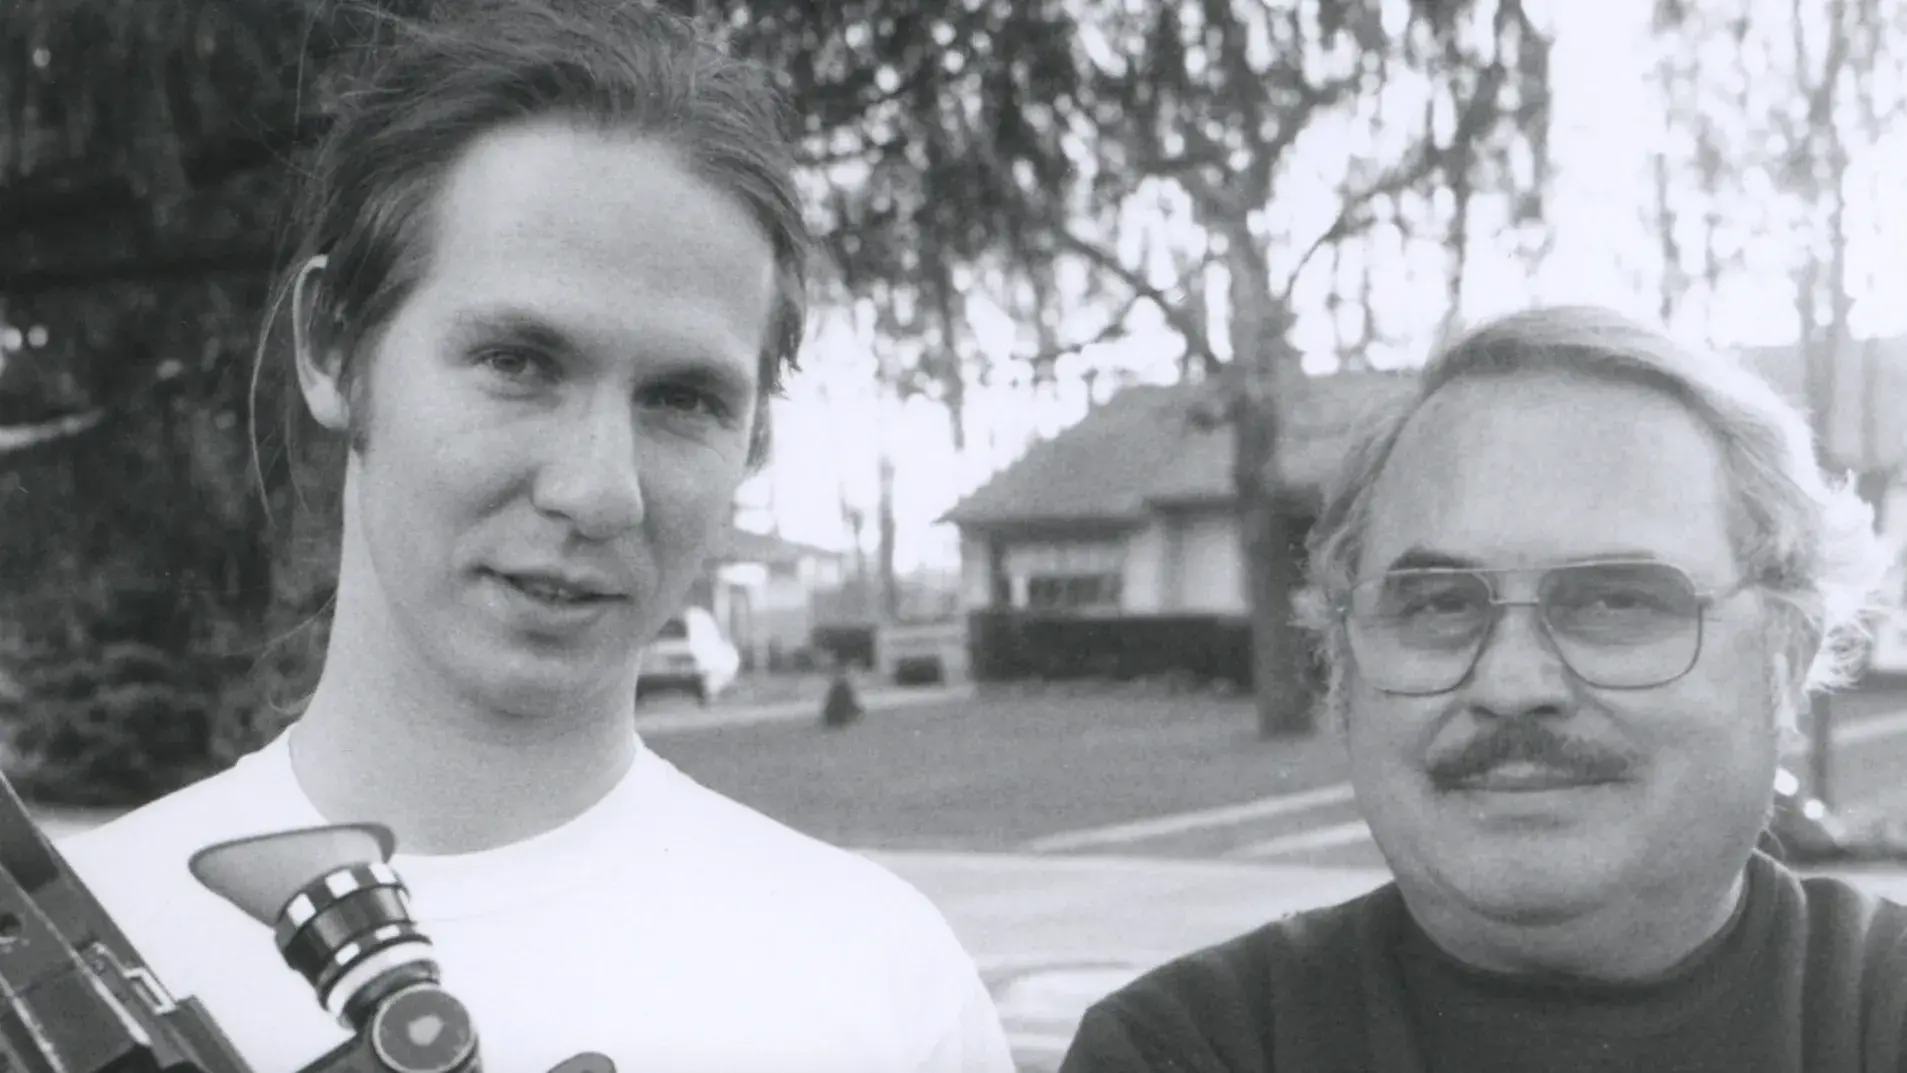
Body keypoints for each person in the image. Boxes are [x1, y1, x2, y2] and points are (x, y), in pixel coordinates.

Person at [55, 4, 1014, 1072]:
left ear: (754, 438)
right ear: (332, 345)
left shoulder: (883, 988)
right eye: (517, 362)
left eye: (684, 398)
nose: (599, 491)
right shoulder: (74, 961)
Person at [1059, 305, 1907, 1073]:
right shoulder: (1188, 1046)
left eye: (1614, 601)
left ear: (1784, 658)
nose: (1510, 682)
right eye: (1436, 605)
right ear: (1342, 666)